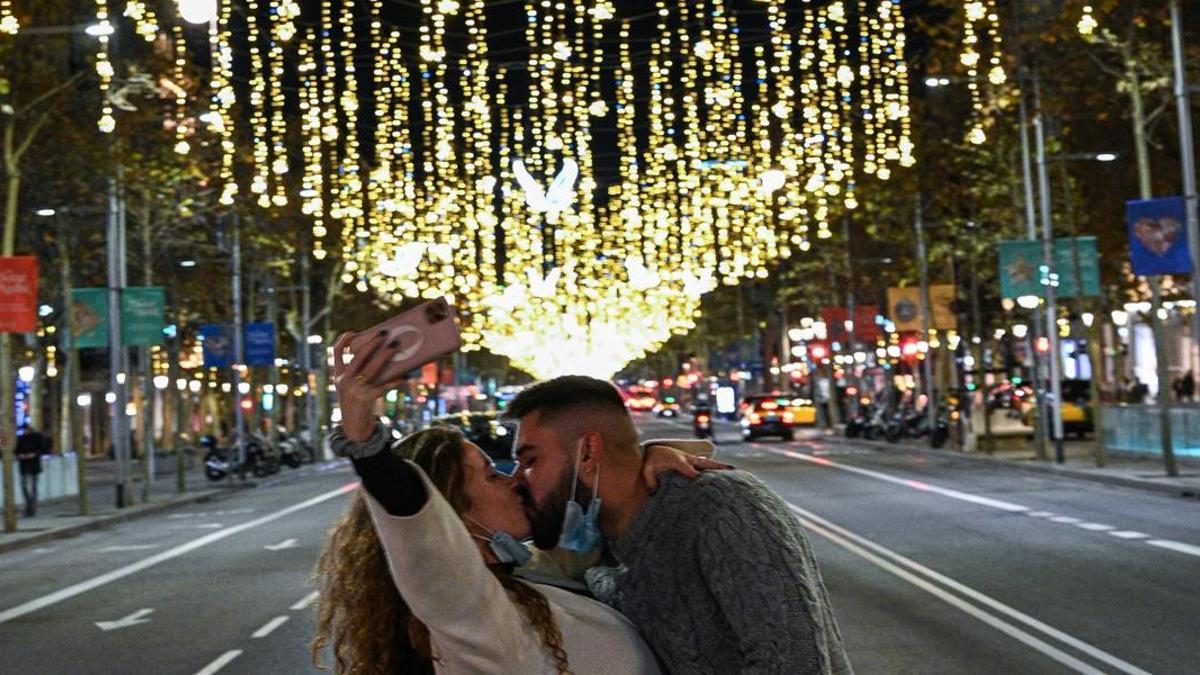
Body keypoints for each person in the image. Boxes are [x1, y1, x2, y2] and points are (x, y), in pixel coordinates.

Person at [314, 330, 720, 674]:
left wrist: (646, 456)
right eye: (492, 474)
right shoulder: (472, 613)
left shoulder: (537, 572)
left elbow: (609, 500)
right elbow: (411, 513)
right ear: (450, 518)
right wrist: (365, 441)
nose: (514, 480)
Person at [506, 375, 852, 675]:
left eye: (531, 460)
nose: (517, 479)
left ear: (587, 452)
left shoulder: (719, 506)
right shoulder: (596, 548)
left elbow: (792, 662)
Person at [16, 423, 49, 517]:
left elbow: (43, 449)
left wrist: (34, 454)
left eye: (26, 430)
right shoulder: (21, 438)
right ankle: (30, 503)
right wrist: (20, 455)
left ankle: (31, 506)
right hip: (24, 464)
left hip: (34, 464)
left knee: (33, 486)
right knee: (24, 485)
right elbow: (17, 450)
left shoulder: (37, 437)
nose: (25, 432)